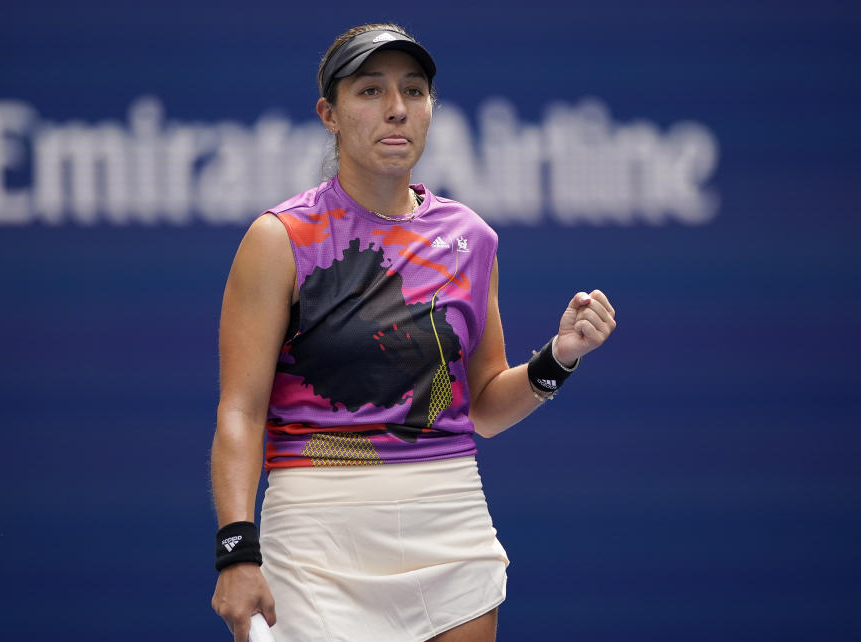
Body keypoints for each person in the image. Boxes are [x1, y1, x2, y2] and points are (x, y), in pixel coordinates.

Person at [210, 23, 617, 642]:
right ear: (330, 114)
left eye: (415, 90)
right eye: (370, 91)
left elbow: (481, 406)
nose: (397, 108)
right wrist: (237, 552)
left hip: (447, 520)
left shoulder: (471, 239)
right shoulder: (279, 239)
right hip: (316, 532)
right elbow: (240, 412)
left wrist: (559, 358)